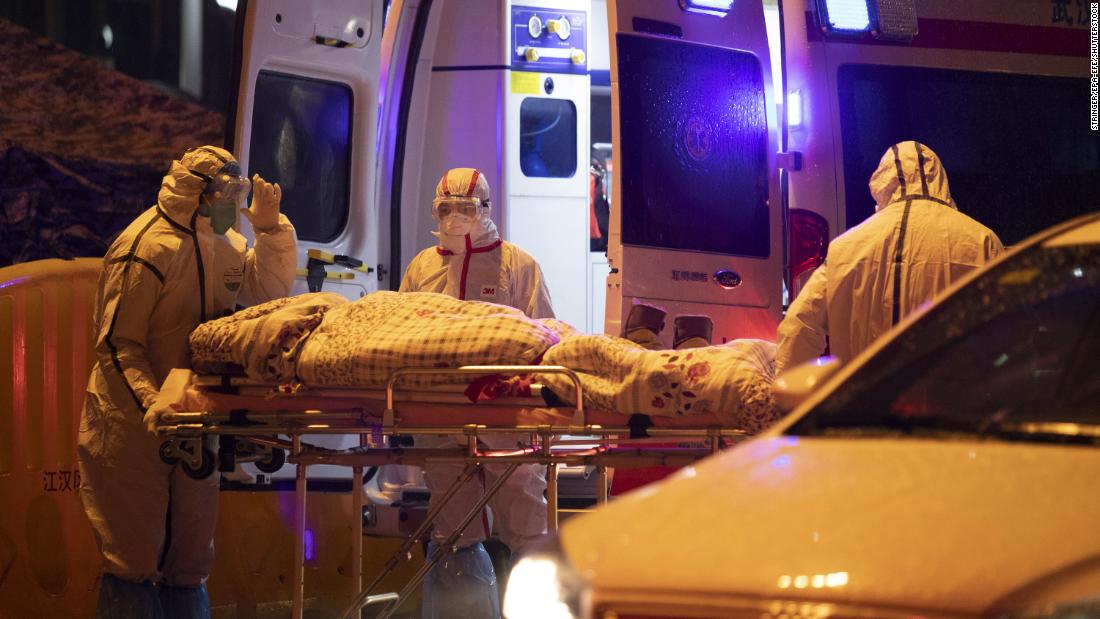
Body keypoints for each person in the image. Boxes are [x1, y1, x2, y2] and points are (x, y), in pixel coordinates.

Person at [77, 145, 297, 618]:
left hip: (195, 424)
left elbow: (266, 292)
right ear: (199, 194)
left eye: (240, 195)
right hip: (133, 425)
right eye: (228, 195)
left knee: (190, 559)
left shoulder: (226, 245)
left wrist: (271, 230)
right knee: (134, 558)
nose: (233, 206)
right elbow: (118, 345)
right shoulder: (145, 248)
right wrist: (152, 404)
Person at [400, 167, 554, 618]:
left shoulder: (518, 265)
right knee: (454, 528)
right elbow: (401, 333)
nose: (454, 218)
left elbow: (545, 334)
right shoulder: (422, 267)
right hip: (440, 416)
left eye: (464, 209)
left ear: (485, 208)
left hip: (507, 418)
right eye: (446, 209)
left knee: (526, 523)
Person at [775, 141, 1003, 375]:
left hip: (864, 404)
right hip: (953, 405)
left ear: (882, 182)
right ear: (941, 179)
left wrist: (793, 400)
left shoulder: (846, 248)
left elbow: (799, 327)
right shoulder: (982, 242)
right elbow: (1008, 330)